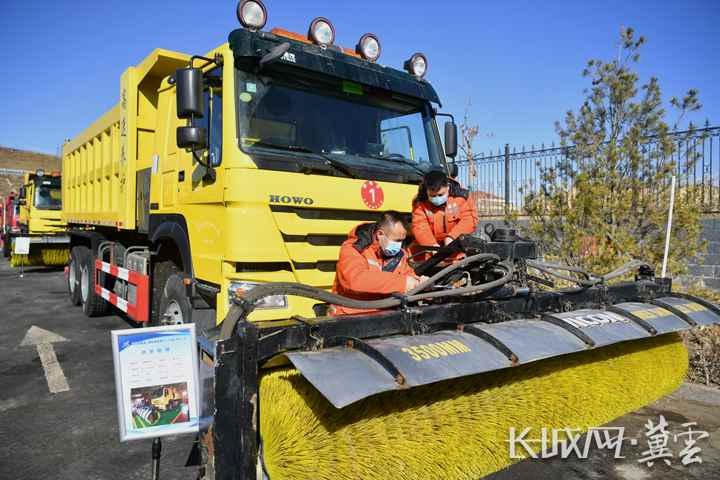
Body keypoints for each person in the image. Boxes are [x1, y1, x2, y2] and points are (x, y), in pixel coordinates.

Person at [330, 211, 426, 316]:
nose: (399, 245)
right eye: (397, 240)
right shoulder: (354, 248)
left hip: (383, 316)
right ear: (380, 234)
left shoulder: (400, 254)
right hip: (348, 315)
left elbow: (408, 275)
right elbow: (356, 280)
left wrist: (421, 284)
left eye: (402, 241)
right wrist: (403, 283)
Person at [412, 170, 478, 249]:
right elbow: (420, 227)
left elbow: (469, 220)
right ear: (427, 191)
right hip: (429, 251)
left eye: (440, 195)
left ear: (448, 186)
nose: (437, 198)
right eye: (432, 196)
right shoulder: (420, 202)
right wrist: (432, 246)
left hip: (457, 248)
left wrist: (452, 237)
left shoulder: (462, 197)